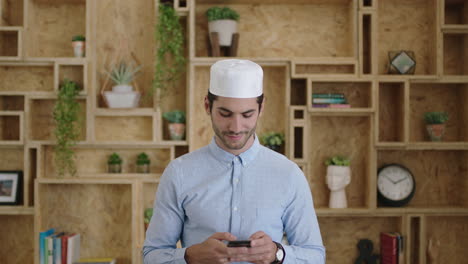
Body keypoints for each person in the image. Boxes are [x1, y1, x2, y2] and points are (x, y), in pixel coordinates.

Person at [143, 59, 325, 264]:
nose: (236, 127)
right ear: (207, 106)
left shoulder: (289, 174)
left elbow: (315, 256)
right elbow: (152, 255)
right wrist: (190, 256)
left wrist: (278, 254)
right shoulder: (179, 173)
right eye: (225, 114)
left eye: (247, 114)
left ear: (261, 107)